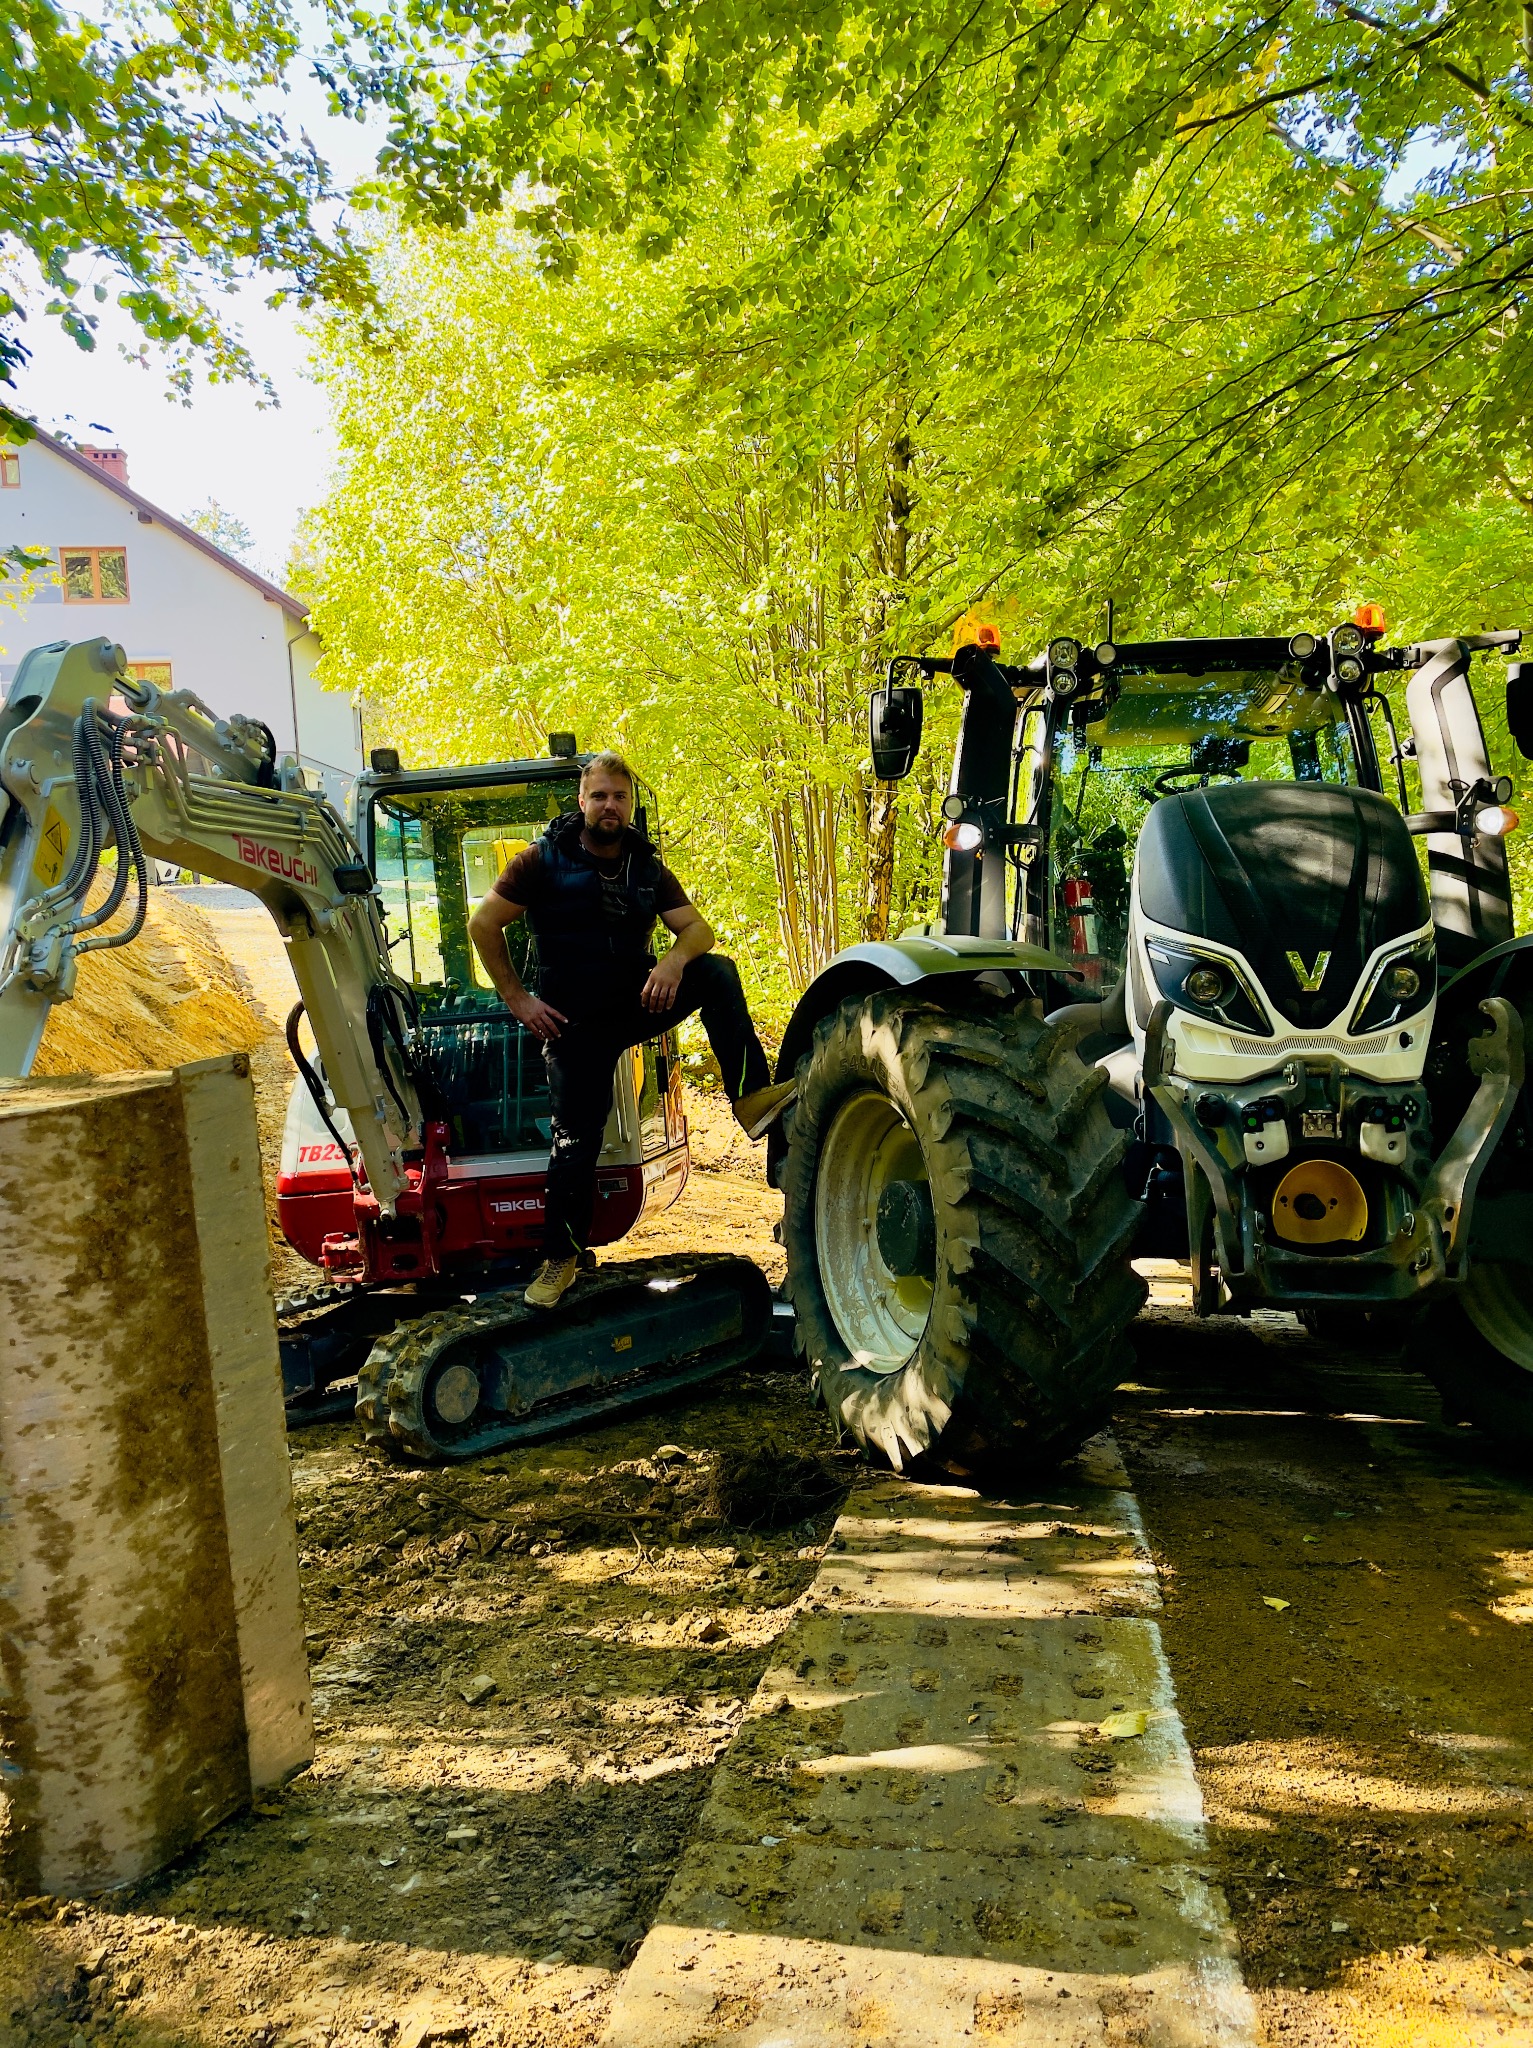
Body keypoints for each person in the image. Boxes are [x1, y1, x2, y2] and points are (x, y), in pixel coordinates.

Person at [468, 751, 795, 1308]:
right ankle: (560, 1259)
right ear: (582, 801)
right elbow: (483, 923)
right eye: (599, 796)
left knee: (715, 974)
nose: (609, 806)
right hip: (573, 1026)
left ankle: (748, 1096)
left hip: (636, 1001)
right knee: (575, 1145)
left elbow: (698, 930)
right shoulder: (539, 861)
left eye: (619, 796)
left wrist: (671, 963)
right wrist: (517, 998)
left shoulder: (646, 866)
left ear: (631, 804)